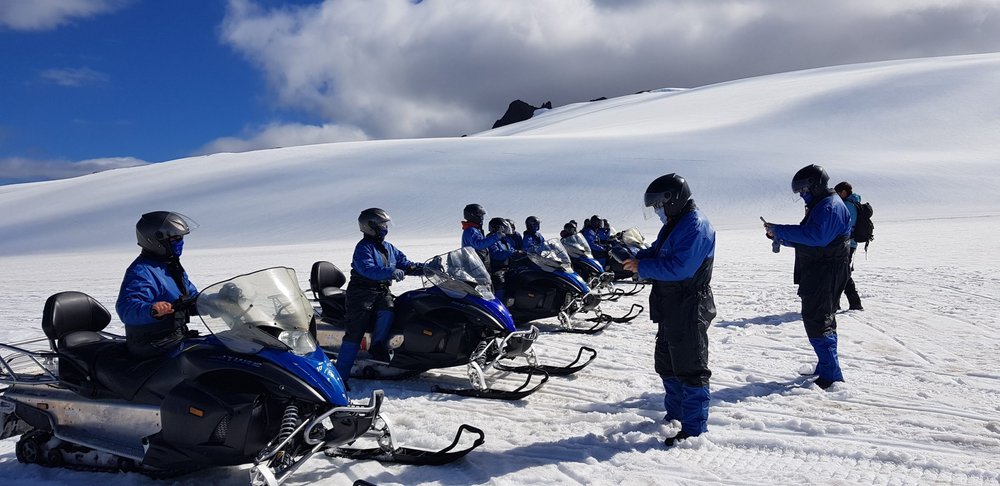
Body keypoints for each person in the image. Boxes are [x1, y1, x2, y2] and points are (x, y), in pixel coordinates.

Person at [623, 174, 716, 447]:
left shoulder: (695, 226)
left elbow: (680, 268)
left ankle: (694, 429)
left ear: (672, 201)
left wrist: (643, 268)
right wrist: (636, 257)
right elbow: (659, 251)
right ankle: (675, 413)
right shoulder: (677, 223)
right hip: (671, 303)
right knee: (667, 361)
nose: (657, 211)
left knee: (690, 366)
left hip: (689, 304)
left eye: (658, 206)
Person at [764, 164, 851, 390]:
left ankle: (831, 375)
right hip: (821, 269)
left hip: (826, 271)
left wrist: (781, 230)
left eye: (803, 190)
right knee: (823, 318)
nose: (802, 195)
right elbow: (810, 239)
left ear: (815, 185)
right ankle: (826, 366)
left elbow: (816, 237)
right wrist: (780, 237)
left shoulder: (829, 206)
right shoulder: (822, 204)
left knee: (817, 320)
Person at [336, 208, 423, 386]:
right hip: (361, 294)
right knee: (355, 332)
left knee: (390, 311)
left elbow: (406, 264)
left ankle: (377, 347)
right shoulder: (363, 248)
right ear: (371, 226)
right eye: (382, 224)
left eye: (386, 224)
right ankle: (340, 378)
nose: (385, 227)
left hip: (381, 292)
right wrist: (390, 272)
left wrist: (426, 268)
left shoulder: (388, 247)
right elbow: (368, 270)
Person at [116, 211, 199, 359]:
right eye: (175, 239)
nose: (180, 243)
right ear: (155, 241)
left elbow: (192, 296)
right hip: (150, 344)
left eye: (181, 238)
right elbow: (126, 308)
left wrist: (218, 298)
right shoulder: (142, 271)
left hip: (175, 337)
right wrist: (152, 310)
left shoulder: (171, 267)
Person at [834, 181, 864, 311]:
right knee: (842, 272)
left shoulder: (847, 205)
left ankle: (854, 303)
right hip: (851, 243)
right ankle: (840, 303)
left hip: (845, 243)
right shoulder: (855, 203)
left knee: (841, 273)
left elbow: (841, 224)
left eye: (838, 193)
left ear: (844, 192)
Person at [461, 203, 507, 268]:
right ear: (473, 215)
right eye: (480, 215)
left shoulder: (476, 229)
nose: (482, 218)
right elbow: (479, 245)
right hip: (474, 265)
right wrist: (496, 236)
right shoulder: (471, 230)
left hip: (479, 263)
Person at [486, 217, 517, 302]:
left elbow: (511, 249)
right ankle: (500, 303)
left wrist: (519, 253)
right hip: (496, 268)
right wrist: (510, 253)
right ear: (497, 228)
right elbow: (495, 254)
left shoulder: (504, 239)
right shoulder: (491, 239)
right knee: (499, 281)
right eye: (503, 227)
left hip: (507, 266)